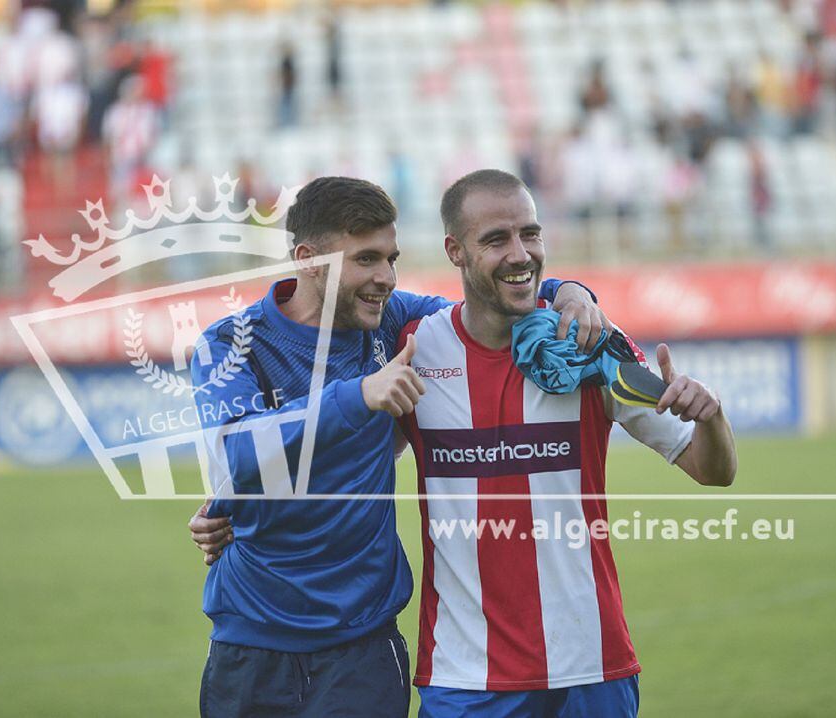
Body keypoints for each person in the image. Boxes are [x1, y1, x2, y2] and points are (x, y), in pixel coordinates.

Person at [194, 172, 738, 716]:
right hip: (303, 644)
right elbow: (237, 452)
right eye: (365, 259)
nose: (384, 277)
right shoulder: (252, 343)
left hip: (412, 647)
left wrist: (570, 291)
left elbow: (499, 295)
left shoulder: (407, 328)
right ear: (309, 259)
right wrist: (351, 401)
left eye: (391, 258)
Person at [396, 170, 736, 716]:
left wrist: (712, 418)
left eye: (530, 234)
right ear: (454, 251)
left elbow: (712, 469)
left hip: (590, 666)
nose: (520, 254)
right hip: (465, 675)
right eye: (496, 240)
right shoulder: (414, 351)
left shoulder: (589, 343)